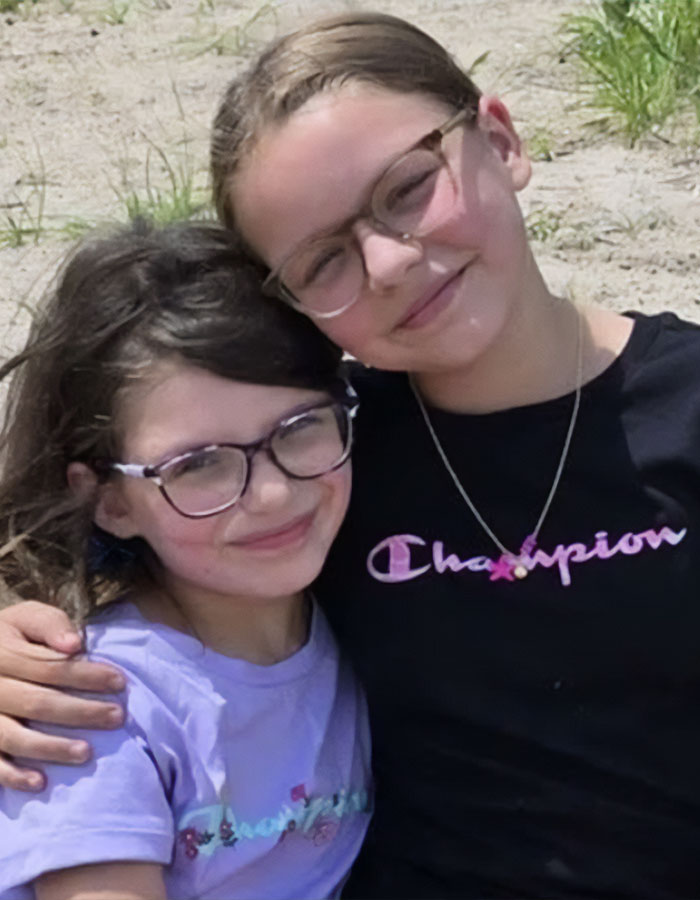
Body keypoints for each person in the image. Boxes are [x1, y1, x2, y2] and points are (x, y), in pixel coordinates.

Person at [1, 11, 699, 899]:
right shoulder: (313, 459)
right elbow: (109, 529)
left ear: (500, 139)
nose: (388, 262)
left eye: (408, 188)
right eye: (321, 259)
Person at [0, 220, 371, 900]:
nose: (272, 493)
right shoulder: (92, 702)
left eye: (301, 427)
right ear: (110, 501)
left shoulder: (362, 610)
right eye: (197, 464)